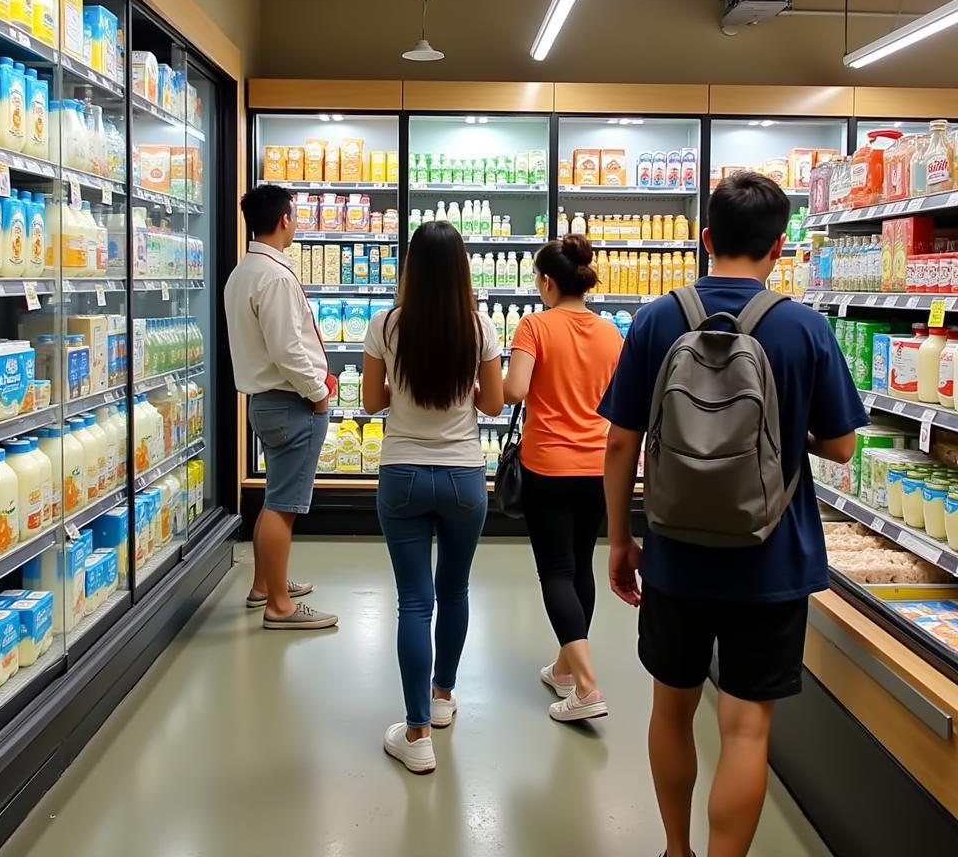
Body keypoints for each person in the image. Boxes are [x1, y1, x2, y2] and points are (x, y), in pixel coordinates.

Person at [599, 172, 867, 857]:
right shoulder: (804, 326)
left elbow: (622, 443)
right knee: (746, 728)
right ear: (781, 246)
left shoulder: (657, 319)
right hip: (771, 556)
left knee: (672, 707)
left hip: (674, 553)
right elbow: (839, 445)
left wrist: (622, 540)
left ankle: (675, 849)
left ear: (706, 238)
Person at [362, 221, 503, 775]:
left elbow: (372, 400)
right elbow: (492, 405)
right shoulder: (479, 327)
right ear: (464, 269)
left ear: (410, 268)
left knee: (414, 602)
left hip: (402, 476)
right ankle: (443, 698)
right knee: (456, 589)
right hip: (464, 478)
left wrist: (404, 383)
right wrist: (462, 387)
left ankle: (416, 734)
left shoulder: (386, 325)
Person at [503, 234, 622, 722]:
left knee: (555, 571)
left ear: (548, 282)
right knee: (580, 566)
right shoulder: (611, 333)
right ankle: (565, 669)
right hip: (598, 467)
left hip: (548, 464)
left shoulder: (534, 326)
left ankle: (588, 688)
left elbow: (513, 391)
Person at [223, 183, 338, 630]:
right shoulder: (275, 275)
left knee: (274, 497)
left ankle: (264, 585)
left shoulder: (244, 271)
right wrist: (318, 391)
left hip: (265, 401)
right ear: (284, 219)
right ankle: (279, 607)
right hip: (290, 402)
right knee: (283, 505)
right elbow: (289, 348)